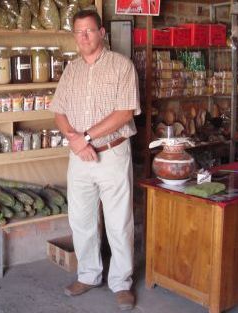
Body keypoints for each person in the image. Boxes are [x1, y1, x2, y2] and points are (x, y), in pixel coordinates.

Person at [49, 10, 141, 311]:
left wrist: (85, 137)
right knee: (81, 219)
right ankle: (88, 274)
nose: (84, 36)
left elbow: (124, 112)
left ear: (102, 32)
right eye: (78, 32)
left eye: (89, 30)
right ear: (74, 35)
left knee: (118, 221)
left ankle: (122, 282)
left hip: (112, 153)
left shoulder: (121, 66)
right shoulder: (71, 70)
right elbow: (59, 111)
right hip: (80, 157)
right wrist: (76, 141)